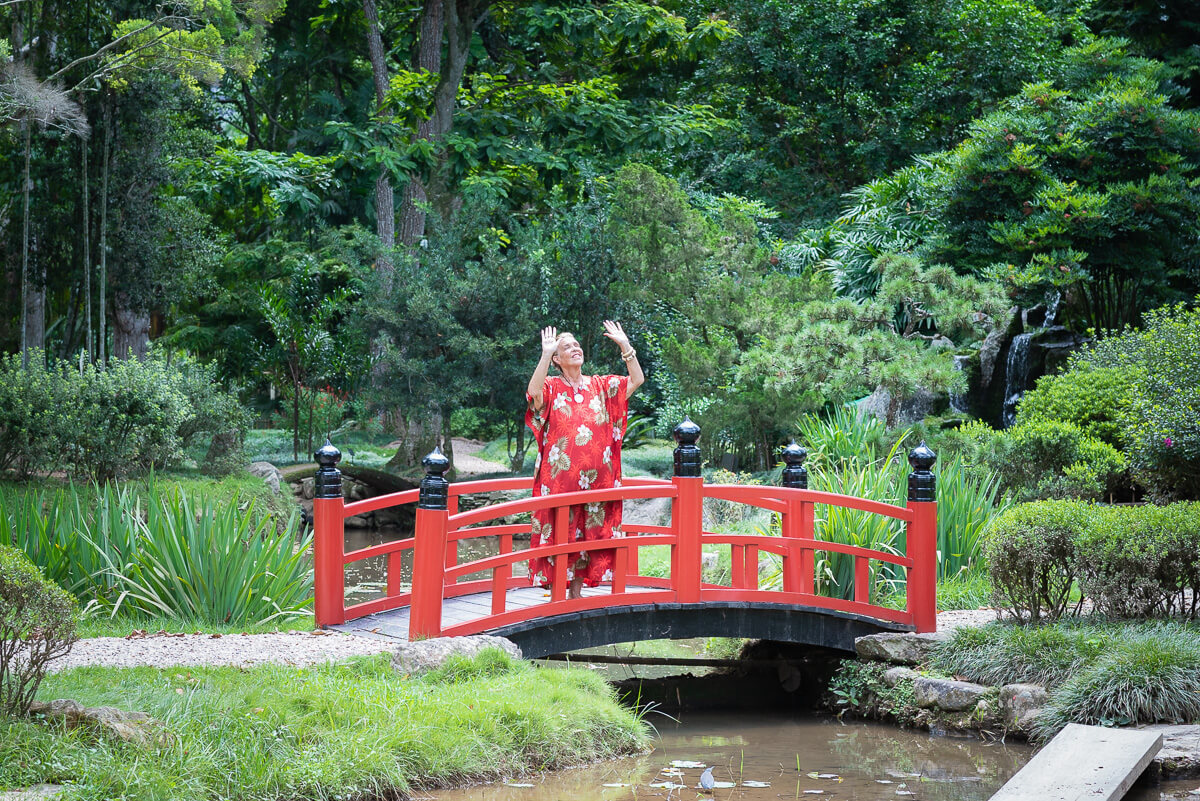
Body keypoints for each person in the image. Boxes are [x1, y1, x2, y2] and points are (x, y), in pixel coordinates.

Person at [525, 321, 644, 599]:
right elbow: (534, 393)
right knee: (561, 533)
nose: (575, 348)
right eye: (567, 347)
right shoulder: (552, 387)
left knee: (587, 534)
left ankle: (575, 594)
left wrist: (625, 345)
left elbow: (636, 380)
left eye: (577, 344)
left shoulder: (601, 385)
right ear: (557, 359)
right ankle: (557, 594)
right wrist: (545, 353)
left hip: (597, 483)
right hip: (560, 482)